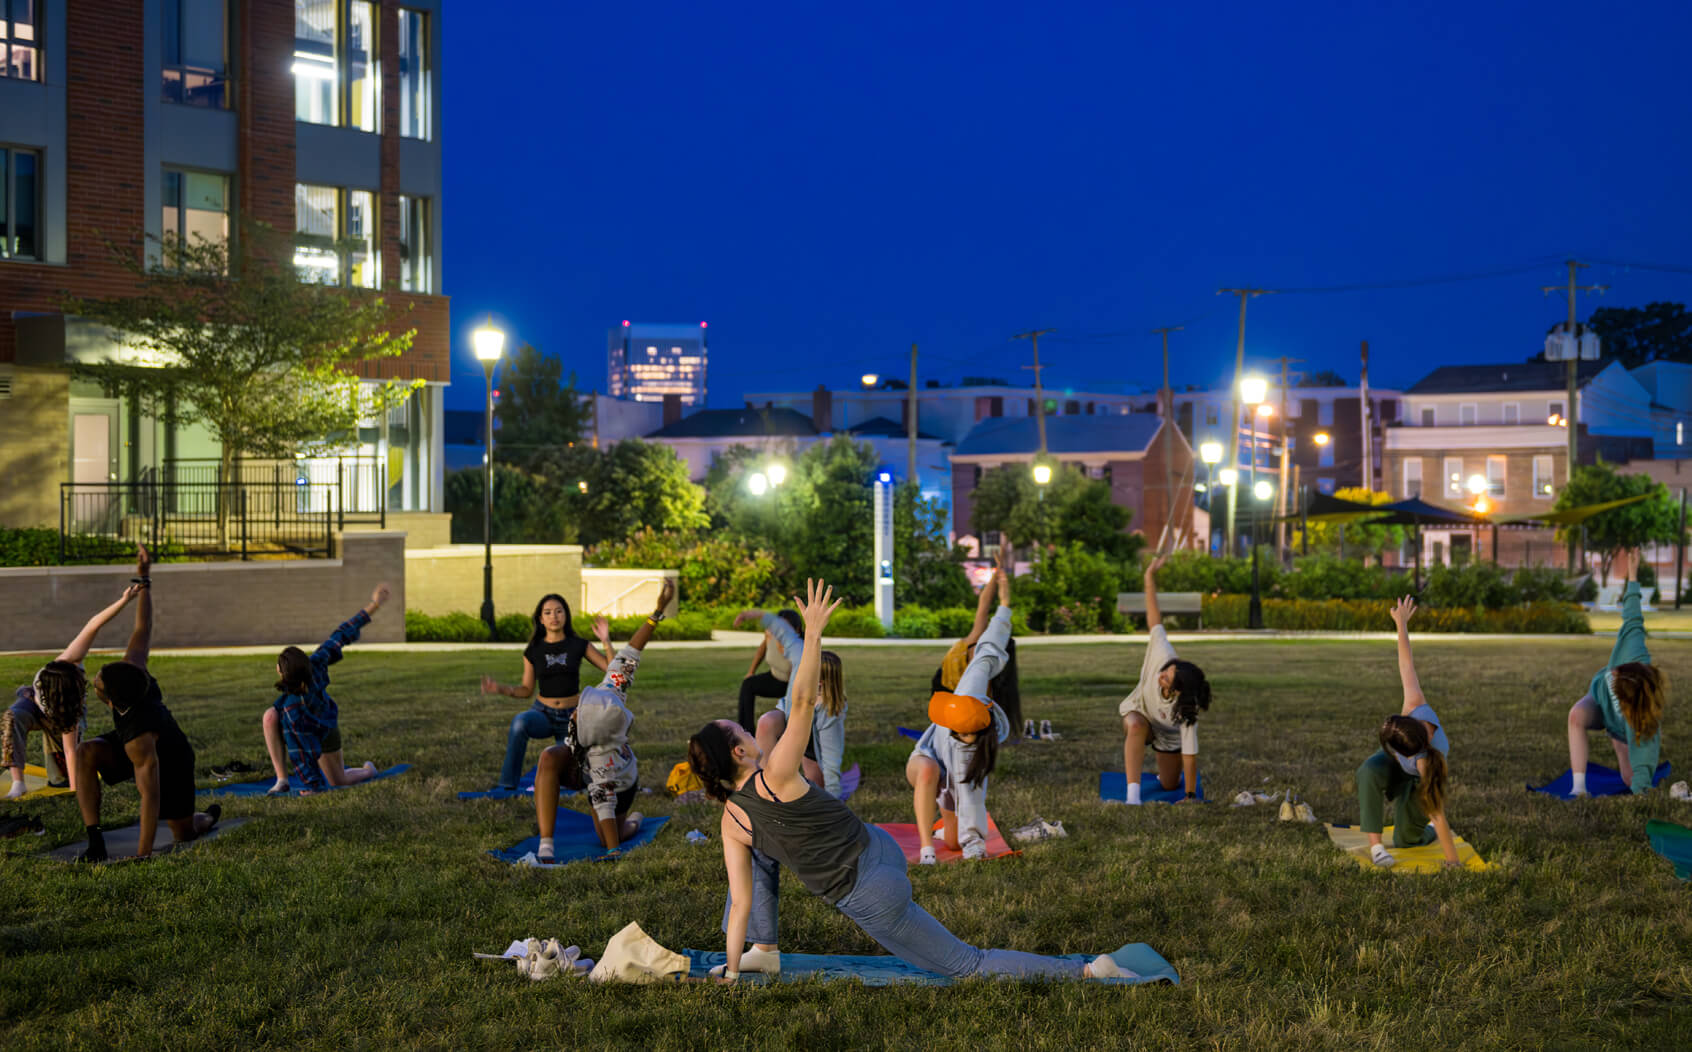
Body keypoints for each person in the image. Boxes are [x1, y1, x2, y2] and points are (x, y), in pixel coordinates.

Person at [687, 578, 1131, 983]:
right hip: (877, 846)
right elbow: (803, 701)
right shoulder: (777, 773)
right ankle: (763, 950)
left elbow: (740, 902)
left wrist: (727, 970)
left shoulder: (735, 819)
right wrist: (815, 630)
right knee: (761, 855)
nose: (749, 729)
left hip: (872, 894)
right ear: (740, 752)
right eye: (742, 730)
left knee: (968, 964)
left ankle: (1088, 971)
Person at [73, 546, 221, 862]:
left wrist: (142, 855)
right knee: (85, 751)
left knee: (183, 833)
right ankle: (94, 840)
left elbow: (150, 797)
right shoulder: (133, 668)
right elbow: (144, 626)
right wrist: (144, 577)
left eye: (97, 683)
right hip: (130, 741)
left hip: (172, 759)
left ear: (111, 701)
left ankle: (203, 818)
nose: (94, 680)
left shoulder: (142, 739)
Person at [532, 579, 675, 861]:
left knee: (609, 833)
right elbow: (631, 653)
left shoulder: (603, 759)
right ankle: (545, 841)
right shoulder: (612, 690)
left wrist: (613, 849)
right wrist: (657, 613)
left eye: (578, 714)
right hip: (582, 760)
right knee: (548, 757)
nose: (574, 713)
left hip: (621, 782)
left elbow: (604, 801)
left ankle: (634, 820)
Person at [3, 566, 146, 798]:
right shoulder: (69, 659)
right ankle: (18, 783)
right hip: (32, 705)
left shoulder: (69, 708)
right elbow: (93, 624)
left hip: (58, 717)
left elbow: (70, 751)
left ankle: (66, 779)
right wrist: (124, 600)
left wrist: (74, 791)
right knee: (12, 716)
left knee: (60, 779)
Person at [906, 565, 1012, 863]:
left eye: (965, 735)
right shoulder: (971, 674)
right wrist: (1001, 596)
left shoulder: (973, 747)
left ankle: (945, 832)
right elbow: (989, 638)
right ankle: (927, 846)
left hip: (955, 772)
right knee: (928, 770)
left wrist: (974, 846)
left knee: (954, 842)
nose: (961, 737)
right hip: (927, 759)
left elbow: (972, 796)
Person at [1355, 596, 1460, 868]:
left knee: (1405, 840)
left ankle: (1419, 832)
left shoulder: (1426, 763)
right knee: (1368, 770)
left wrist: (1453, 860)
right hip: (1402, 759)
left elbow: (1436, 812)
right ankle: (1376, 846)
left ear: (1405, 752)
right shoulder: (1415, 705)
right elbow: (1406, 664)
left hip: (1417, 780)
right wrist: (1401, 623)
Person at [262, 583, 391, 796]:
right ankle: (282, 779)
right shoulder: (316, 662)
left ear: (284, 675)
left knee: (339, 781)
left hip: (326, 729)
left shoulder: (291, 708)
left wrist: (312, 786)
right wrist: (375, 604)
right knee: (269, 717)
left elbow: (301, 753)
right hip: (312, 725)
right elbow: (340, 634)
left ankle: (369, 770)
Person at [481, 594, 612, 791]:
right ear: (541, 619)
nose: (554, 616)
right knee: (519, 723)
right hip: (543, 713)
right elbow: (526, 690)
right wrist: (500, 688)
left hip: (572, 718)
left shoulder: (578, 644)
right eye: (548, 612)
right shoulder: (534, 649)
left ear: (566, 616)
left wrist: (606, 640)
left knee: (569, 778)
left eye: (559, 611)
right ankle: (507, 785)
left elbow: (612, 669)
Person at [1118, 552, 1211, 805]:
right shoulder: (1164, 654)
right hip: (1142, 713)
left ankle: (1165, 772)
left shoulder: (1186, 711)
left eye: (1166, 679)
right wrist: (1149, 577)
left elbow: (1191, 755)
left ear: (1177, 692)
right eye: (1165, 672)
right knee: (1136, 725)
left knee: (1170, 785)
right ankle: (1132, 796)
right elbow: (1154, 618)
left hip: (1167, 736)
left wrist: (1190, 796)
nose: (1161, 676)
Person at [1566, 572, 1666, 797]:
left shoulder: (1641, 719)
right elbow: (1633, 615)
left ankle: (1616, 739)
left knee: (1629, 778)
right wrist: (1632, 575)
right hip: (1598, 701)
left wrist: (1642, 792)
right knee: (1576, 716)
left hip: (1621, 728)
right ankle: (1578, 788)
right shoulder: (1633, 651)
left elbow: (1644, 760)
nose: (1613, 673)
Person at [732, 604, 847, 799]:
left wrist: (835, 807)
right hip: (790, 719)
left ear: (821, 685)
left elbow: (831, 764)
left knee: (814, 790)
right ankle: (762, 785)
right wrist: (756, 614)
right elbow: (785, 633)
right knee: (767, 721)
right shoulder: (801, 656)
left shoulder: (829, 714)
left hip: (812, 739)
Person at [931, 548, 1022, 740]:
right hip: (944, 697)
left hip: (951, 704)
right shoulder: (974, 644)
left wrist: (1005, 598)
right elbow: (984, 605)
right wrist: (998, 574)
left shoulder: (982, 673)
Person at [737, 609, 802, 733]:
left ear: (797, 630)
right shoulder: (770, 634)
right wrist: (751, 671)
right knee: (748, 684)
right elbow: (762, 648)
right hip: (775, 679)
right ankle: (746, 732)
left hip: (795, 686)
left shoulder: (799, 647)